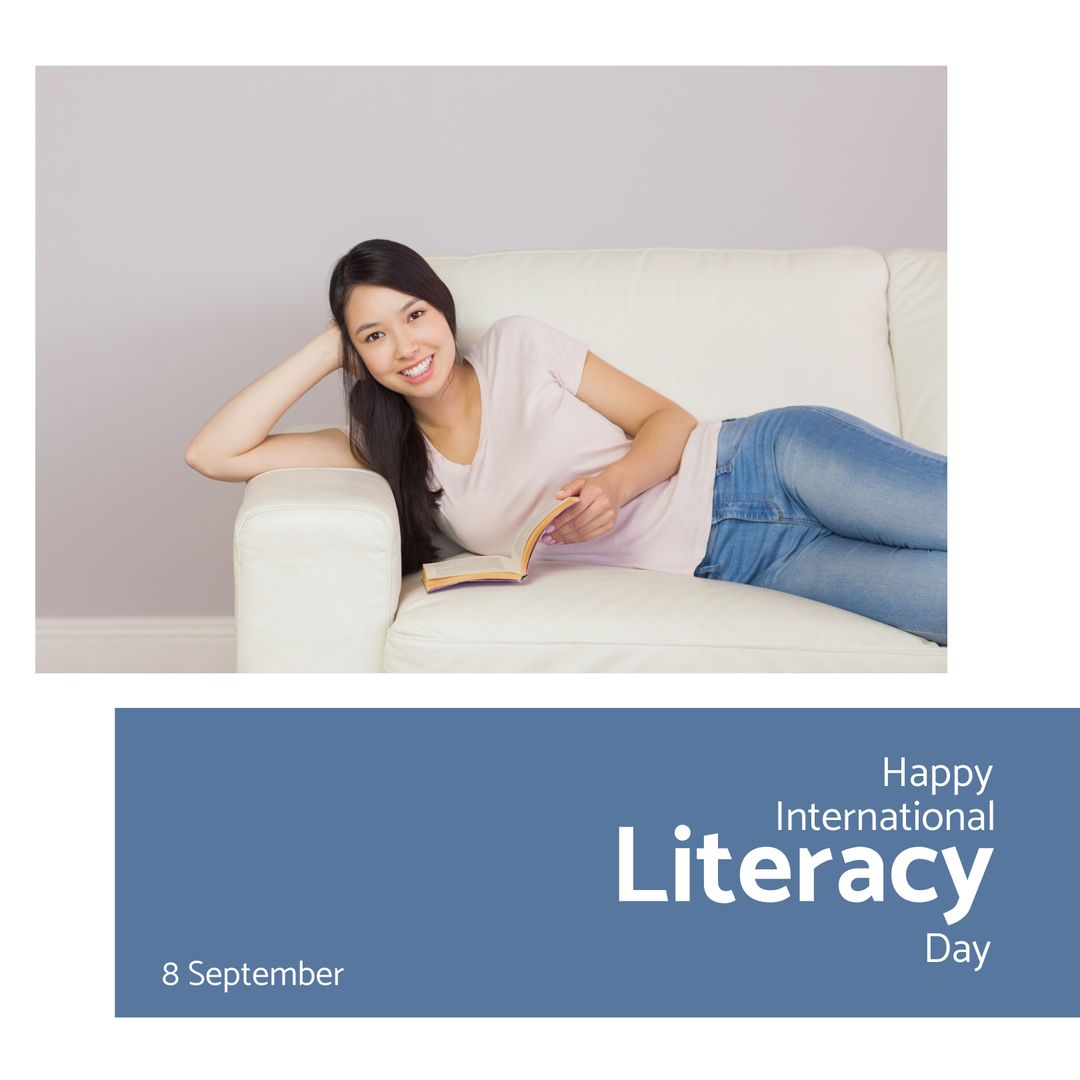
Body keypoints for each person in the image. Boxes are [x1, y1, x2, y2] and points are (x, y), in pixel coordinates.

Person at [186, 239, 946, 645]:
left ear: (442, 310)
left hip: (766, 463)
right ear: (360, 357)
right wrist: (328, 342)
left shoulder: (520, 345)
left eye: (415, 315)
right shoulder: (380, 453)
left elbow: (670, 420)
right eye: (376, 336)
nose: (407, 345)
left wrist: (614, 487)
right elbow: (215, 453)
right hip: (747, 560)